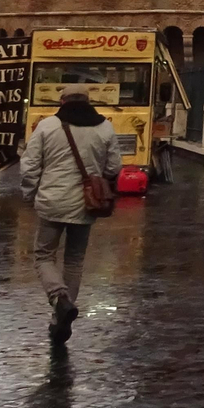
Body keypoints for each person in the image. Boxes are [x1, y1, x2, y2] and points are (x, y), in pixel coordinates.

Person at [18, 85, 121, 344]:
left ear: (62, 101)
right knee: (74, 260)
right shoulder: (105, 127)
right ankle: (60, 318)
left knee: (43, 255)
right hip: (87, 204)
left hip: (52, 202)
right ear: (88, 100)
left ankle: (58, 297)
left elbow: (29, 166)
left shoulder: (47, 126)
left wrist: (30, 195)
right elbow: (114, 166)